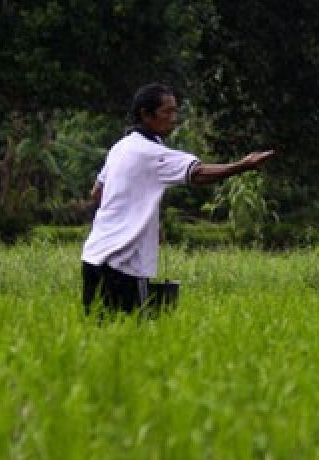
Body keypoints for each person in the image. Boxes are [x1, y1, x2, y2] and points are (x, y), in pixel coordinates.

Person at [81, 83, 275, 313]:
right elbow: (198, 173)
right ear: (145, 114)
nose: (174, 118)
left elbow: (97, 192)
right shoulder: (150, 152)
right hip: (122, 263)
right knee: (133, 336)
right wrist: (243, 165)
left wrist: (145, 220)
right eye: (167, 112)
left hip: (93, 257)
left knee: (98, 336)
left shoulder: (120, 148)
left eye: (176, 111)